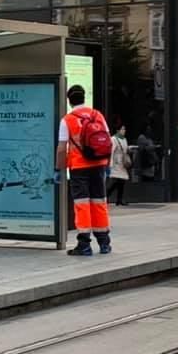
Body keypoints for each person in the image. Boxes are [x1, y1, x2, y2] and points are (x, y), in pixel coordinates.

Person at [55, 85, 112, 256]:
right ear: (84, 97)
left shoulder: (68, 119)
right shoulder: (97, 115)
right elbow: (108, 141)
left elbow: (61, 148)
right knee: (99, 202)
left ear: (69, 100)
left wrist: (59, 169)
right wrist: (107, 164)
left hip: (79, 167)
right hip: (99, 165)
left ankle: (84, 244)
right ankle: (104, 243)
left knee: (82, 204)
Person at [106, 125, 131, 206]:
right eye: (122, 129)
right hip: (115, 163)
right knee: (115, 182)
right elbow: (111, 152)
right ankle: (106, 196)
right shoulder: (113, 139)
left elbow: (125, 150)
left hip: (122, 163)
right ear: (118, 130)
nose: (124, 130)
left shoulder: (124, 139)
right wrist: (110, 164)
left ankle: (119, 199)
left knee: (122, 181)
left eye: (125, 129)